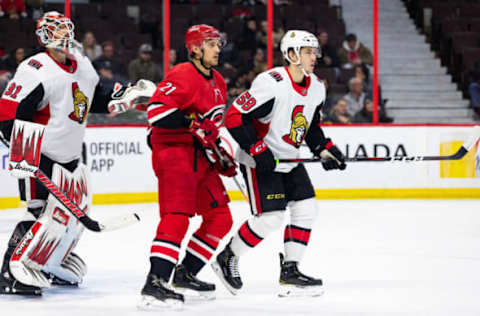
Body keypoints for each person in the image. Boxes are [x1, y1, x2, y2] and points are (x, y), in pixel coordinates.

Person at [0, 11, 140, 296]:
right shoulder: (34, 68)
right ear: (44, 37)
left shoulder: (83, 65)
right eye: (55, 31)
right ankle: (8, 272)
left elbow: (94, 101)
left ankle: (48, 263)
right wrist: (23, 153)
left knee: (72, 218)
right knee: (42, 212)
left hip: (71, 155)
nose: (63, 36)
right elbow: (8, 114)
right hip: (40, 152)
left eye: (65, 30)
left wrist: (125, 96)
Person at [212, 30, 347, 297]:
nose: (314, 57)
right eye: (308, 52)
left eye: (314, 52)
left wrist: (324, 148)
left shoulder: (317, 87)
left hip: (289, 159)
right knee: (271, 219)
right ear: (292, 54)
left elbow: (310, 127)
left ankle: (291, 270)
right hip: (259, 161)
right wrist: (257, 148)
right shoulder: (271, 82)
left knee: (307, 208)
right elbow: (235, 116)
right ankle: (227, 257)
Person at [139, 24, 237, 307]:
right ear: (195, 48)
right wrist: (191, 123)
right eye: (211, 44)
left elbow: (209, 128)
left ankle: (185, 273)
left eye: (219, 43)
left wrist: (220, 154)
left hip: (200, 158)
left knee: (220, 217)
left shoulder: (218, 80)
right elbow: (156, 113)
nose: (218, 48)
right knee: (177, 216)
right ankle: (154, 283)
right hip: (174, 153)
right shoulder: (182, 73)